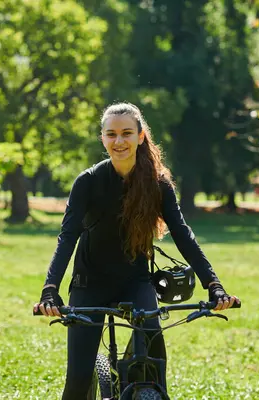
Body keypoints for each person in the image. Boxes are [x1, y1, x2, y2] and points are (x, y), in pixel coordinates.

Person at [33, 102, 239, 399]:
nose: (119, 141)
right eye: (112, 134)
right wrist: (50, 289)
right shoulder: (87, 182)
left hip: (136, 282)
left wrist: (214, 285)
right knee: (78, 381)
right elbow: (67, 237)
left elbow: (183, 235)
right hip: (89, 284)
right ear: (102, 138)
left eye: (127, 133)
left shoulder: (158, 184)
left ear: (141, 136)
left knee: (152, 361)